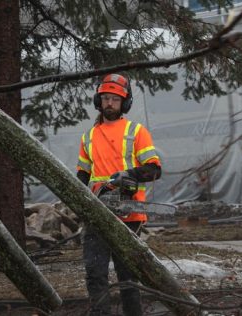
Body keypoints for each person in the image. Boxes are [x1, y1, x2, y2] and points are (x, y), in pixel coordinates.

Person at [75, 73, 161, 316]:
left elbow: (154, 169)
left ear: (124, 103)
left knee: (127, 276)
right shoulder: (88, 136)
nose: (110, 103)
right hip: (97, 213)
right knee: (95, 273)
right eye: (106, 98)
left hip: (129, 214)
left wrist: (129, 174)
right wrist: (81, 200)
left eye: (115, 99)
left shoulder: (136, 131)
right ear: (98, 101)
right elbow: (82, 173)